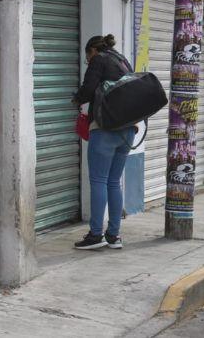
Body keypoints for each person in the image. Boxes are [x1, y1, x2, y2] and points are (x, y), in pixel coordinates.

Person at [72, 34, 136, 250]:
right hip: (128, 130)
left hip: (105, 129)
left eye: (87, 58)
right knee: (114, 181)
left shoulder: (98, 60)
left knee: (98, 180)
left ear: (92, 51)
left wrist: (76, 99)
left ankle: (95, 235)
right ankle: (114, 236)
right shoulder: (122, 60)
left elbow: (88, 89)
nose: (88, 62)